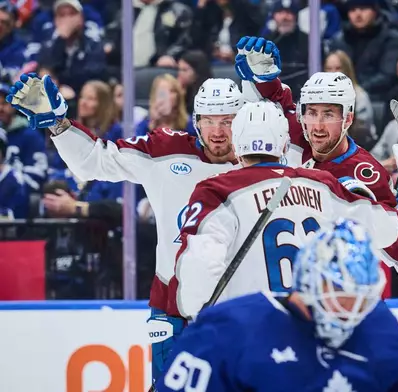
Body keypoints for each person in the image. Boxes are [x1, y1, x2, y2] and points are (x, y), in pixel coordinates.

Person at [235, 36, 398, 368]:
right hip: (280, 303)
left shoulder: (366, 174)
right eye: (311, 113)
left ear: (347, 119)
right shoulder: (295, 134)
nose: (316, 125)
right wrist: (264, 77)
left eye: (328, 115)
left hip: (339, 309)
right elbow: (274, 100)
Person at [4, 73, 243, 386]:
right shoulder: (164, 149)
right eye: (209, 120)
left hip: (239, 301)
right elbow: (94, 161)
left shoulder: (263, 163)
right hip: (174, 307)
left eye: (227, 121)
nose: (218, 132)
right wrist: (59, 125)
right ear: (196, 120)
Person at [160, 219, 398, 392]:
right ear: (309, 280)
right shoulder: (228, 329)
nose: (350, 310)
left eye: (360, 298)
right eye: (339, 292)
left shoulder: (376, 325)